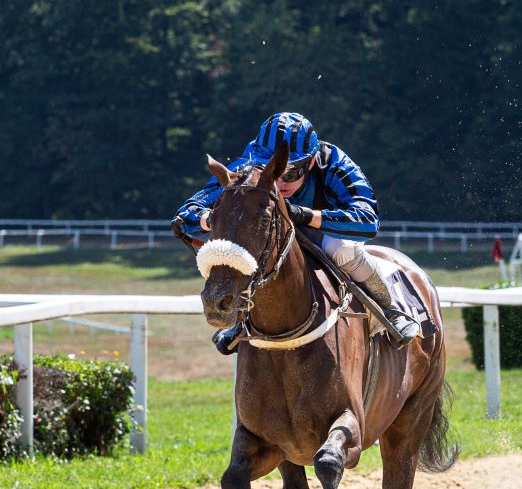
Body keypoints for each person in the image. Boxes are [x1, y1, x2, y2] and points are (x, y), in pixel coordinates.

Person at [173, 112, 423, 353]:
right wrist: (212, 219)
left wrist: (305, 215)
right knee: (250, 250)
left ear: (311, 161)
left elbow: (368, 221)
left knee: (343, 249)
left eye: (290, 172)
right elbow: (185, 215)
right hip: (273, 238)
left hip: (325, 232)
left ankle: (390, 309)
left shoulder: (334, 163)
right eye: (270, 170)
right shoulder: (245, 167)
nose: (280, 182)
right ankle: (242, 320)